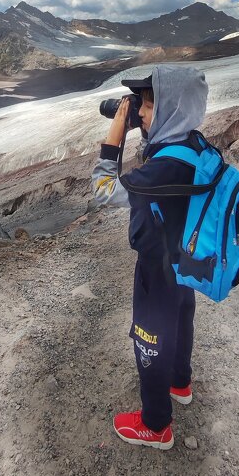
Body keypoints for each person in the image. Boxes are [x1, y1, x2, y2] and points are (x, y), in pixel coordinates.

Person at [91, 64, 209, 450]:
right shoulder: (194, 145)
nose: (140, 112)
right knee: (182, 319)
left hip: (156, 268)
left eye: (147, 104)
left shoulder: (164, 168)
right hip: (183, 261)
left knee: (151, 338)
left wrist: (117, 128)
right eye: (138, 104)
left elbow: (104, 189)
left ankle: (156, 425)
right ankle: (180, 382)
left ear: (172, 107)